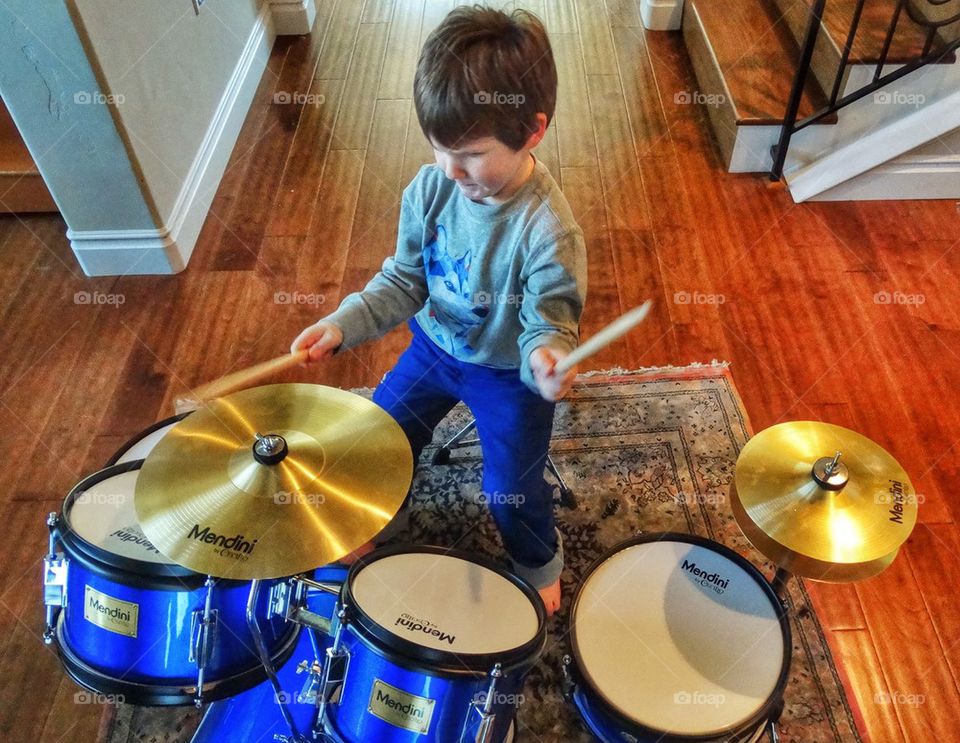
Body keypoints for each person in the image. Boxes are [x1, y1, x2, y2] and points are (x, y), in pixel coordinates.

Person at [291, 5, 586, 616]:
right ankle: (370, 521)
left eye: (472, 154)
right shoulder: (431, 189)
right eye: (437, 148)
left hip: (508, 374)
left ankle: (537, 561)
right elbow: (403, 280)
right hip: (434, 348)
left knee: (509, 490)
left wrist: (546, 358)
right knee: (376, 441)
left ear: (533, 130)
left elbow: (548, 320)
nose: (452, 170)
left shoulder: (548, 229)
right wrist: (343, 323)